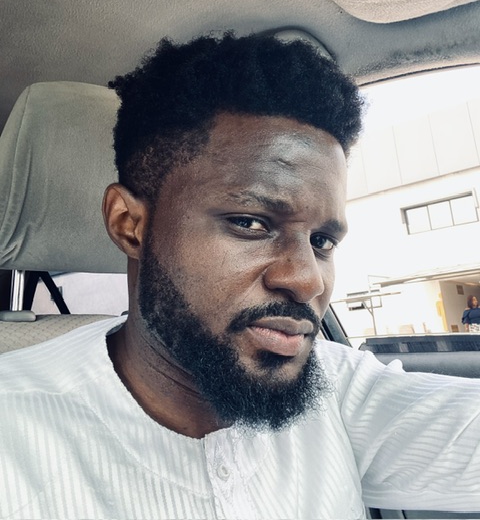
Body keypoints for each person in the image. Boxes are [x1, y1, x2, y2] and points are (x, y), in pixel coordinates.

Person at [1, 33, 480, 520]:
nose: (308, 280)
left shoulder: (333, 389)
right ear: (130, 225)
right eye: (250, 223)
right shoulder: (14, 434)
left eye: (321, 241)